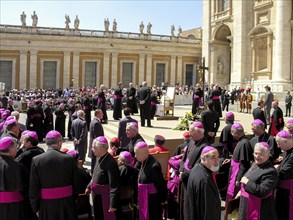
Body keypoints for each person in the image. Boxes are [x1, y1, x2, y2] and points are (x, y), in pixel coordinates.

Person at [30, 130, 79, 220]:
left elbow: (34, 187)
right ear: (59, 142)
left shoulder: (37, 160)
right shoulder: (69, 158)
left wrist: (35, 207)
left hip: (47, 205)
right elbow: (76, 183)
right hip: (67, 202)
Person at [237, 142, 278, 220]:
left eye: (260, 154)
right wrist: (241, 190)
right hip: (246, 202)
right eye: (255, 153)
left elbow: (263, 191)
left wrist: (247, 183)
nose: (257, 157)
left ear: (268, 155)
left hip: (259, 208)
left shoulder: (270, 171)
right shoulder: (256, 163)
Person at [179, 121, 208, 220]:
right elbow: (184, 159)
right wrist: (181, 170)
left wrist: (184, 174)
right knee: (184, 203)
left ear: (199, 132)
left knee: (190, 207)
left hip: (191, 180)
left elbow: (198, 167)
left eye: (191, 131)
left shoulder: (204, 147)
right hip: (184, 176)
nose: (189, 133)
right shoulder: (191, 141)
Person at [87, 136, 120, 220]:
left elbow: (114, 185)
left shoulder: (110, 163)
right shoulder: (98, 158)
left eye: (94, 147)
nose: (92, 149)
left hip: (105, 198)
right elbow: (94, 174)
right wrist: (88, 186)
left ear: (102, 148)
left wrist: (113, 204)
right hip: (97, 197)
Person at [224, 123, 253, 217]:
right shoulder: (242, 141)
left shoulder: (244, 143)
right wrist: (232, 159)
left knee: (235, 198)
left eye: (233, 132)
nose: (232, 134)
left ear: (237, 132)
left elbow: (244, 163)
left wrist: (238, 178)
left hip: (237, 174)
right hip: (235, 171)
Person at [134, 141, 167, 220]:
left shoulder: (154, 166)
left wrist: (163, 199)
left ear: (145, 153)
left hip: (152, 201)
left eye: (137, 154)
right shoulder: (143, 161)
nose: (135, 156)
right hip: (144, 197)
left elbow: (160, 184)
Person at [15, 131, 44, 220]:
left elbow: (14, 165)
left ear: (29, 143)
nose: (22, 142)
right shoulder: (41, 151)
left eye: (24, 141)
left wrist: (19, 149)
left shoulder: (24, 155)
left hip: (27, 186)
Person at [187, 146, 221, 220]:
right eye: (213, 158)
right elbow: (207, 210)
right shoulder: (204, 180)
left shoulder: (197, 168)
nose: (217, 161)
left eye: (218, 157)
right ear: (203, 158)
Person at [0, 137, 26, 220]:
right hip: (14, 206)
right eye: (16, 147)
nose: (17, 149)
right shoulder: (18, 166)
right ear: (11, 150)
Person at [275, 130, 293, 220]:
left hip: (288, 191)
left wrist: (276, 169)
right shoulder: (287, 150)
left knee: (285, 213)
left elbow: (283, 173)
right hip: (283, 189)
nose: (278, 146)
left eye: (279, 143)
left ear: (285, 141)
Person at [117, 151, 138, 218]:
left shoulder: (117, 171)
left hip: (119, 202)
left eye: (119, 158)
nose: (117, 160)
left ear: (122, 162)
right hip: (132, 200)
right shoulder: (136, 171)